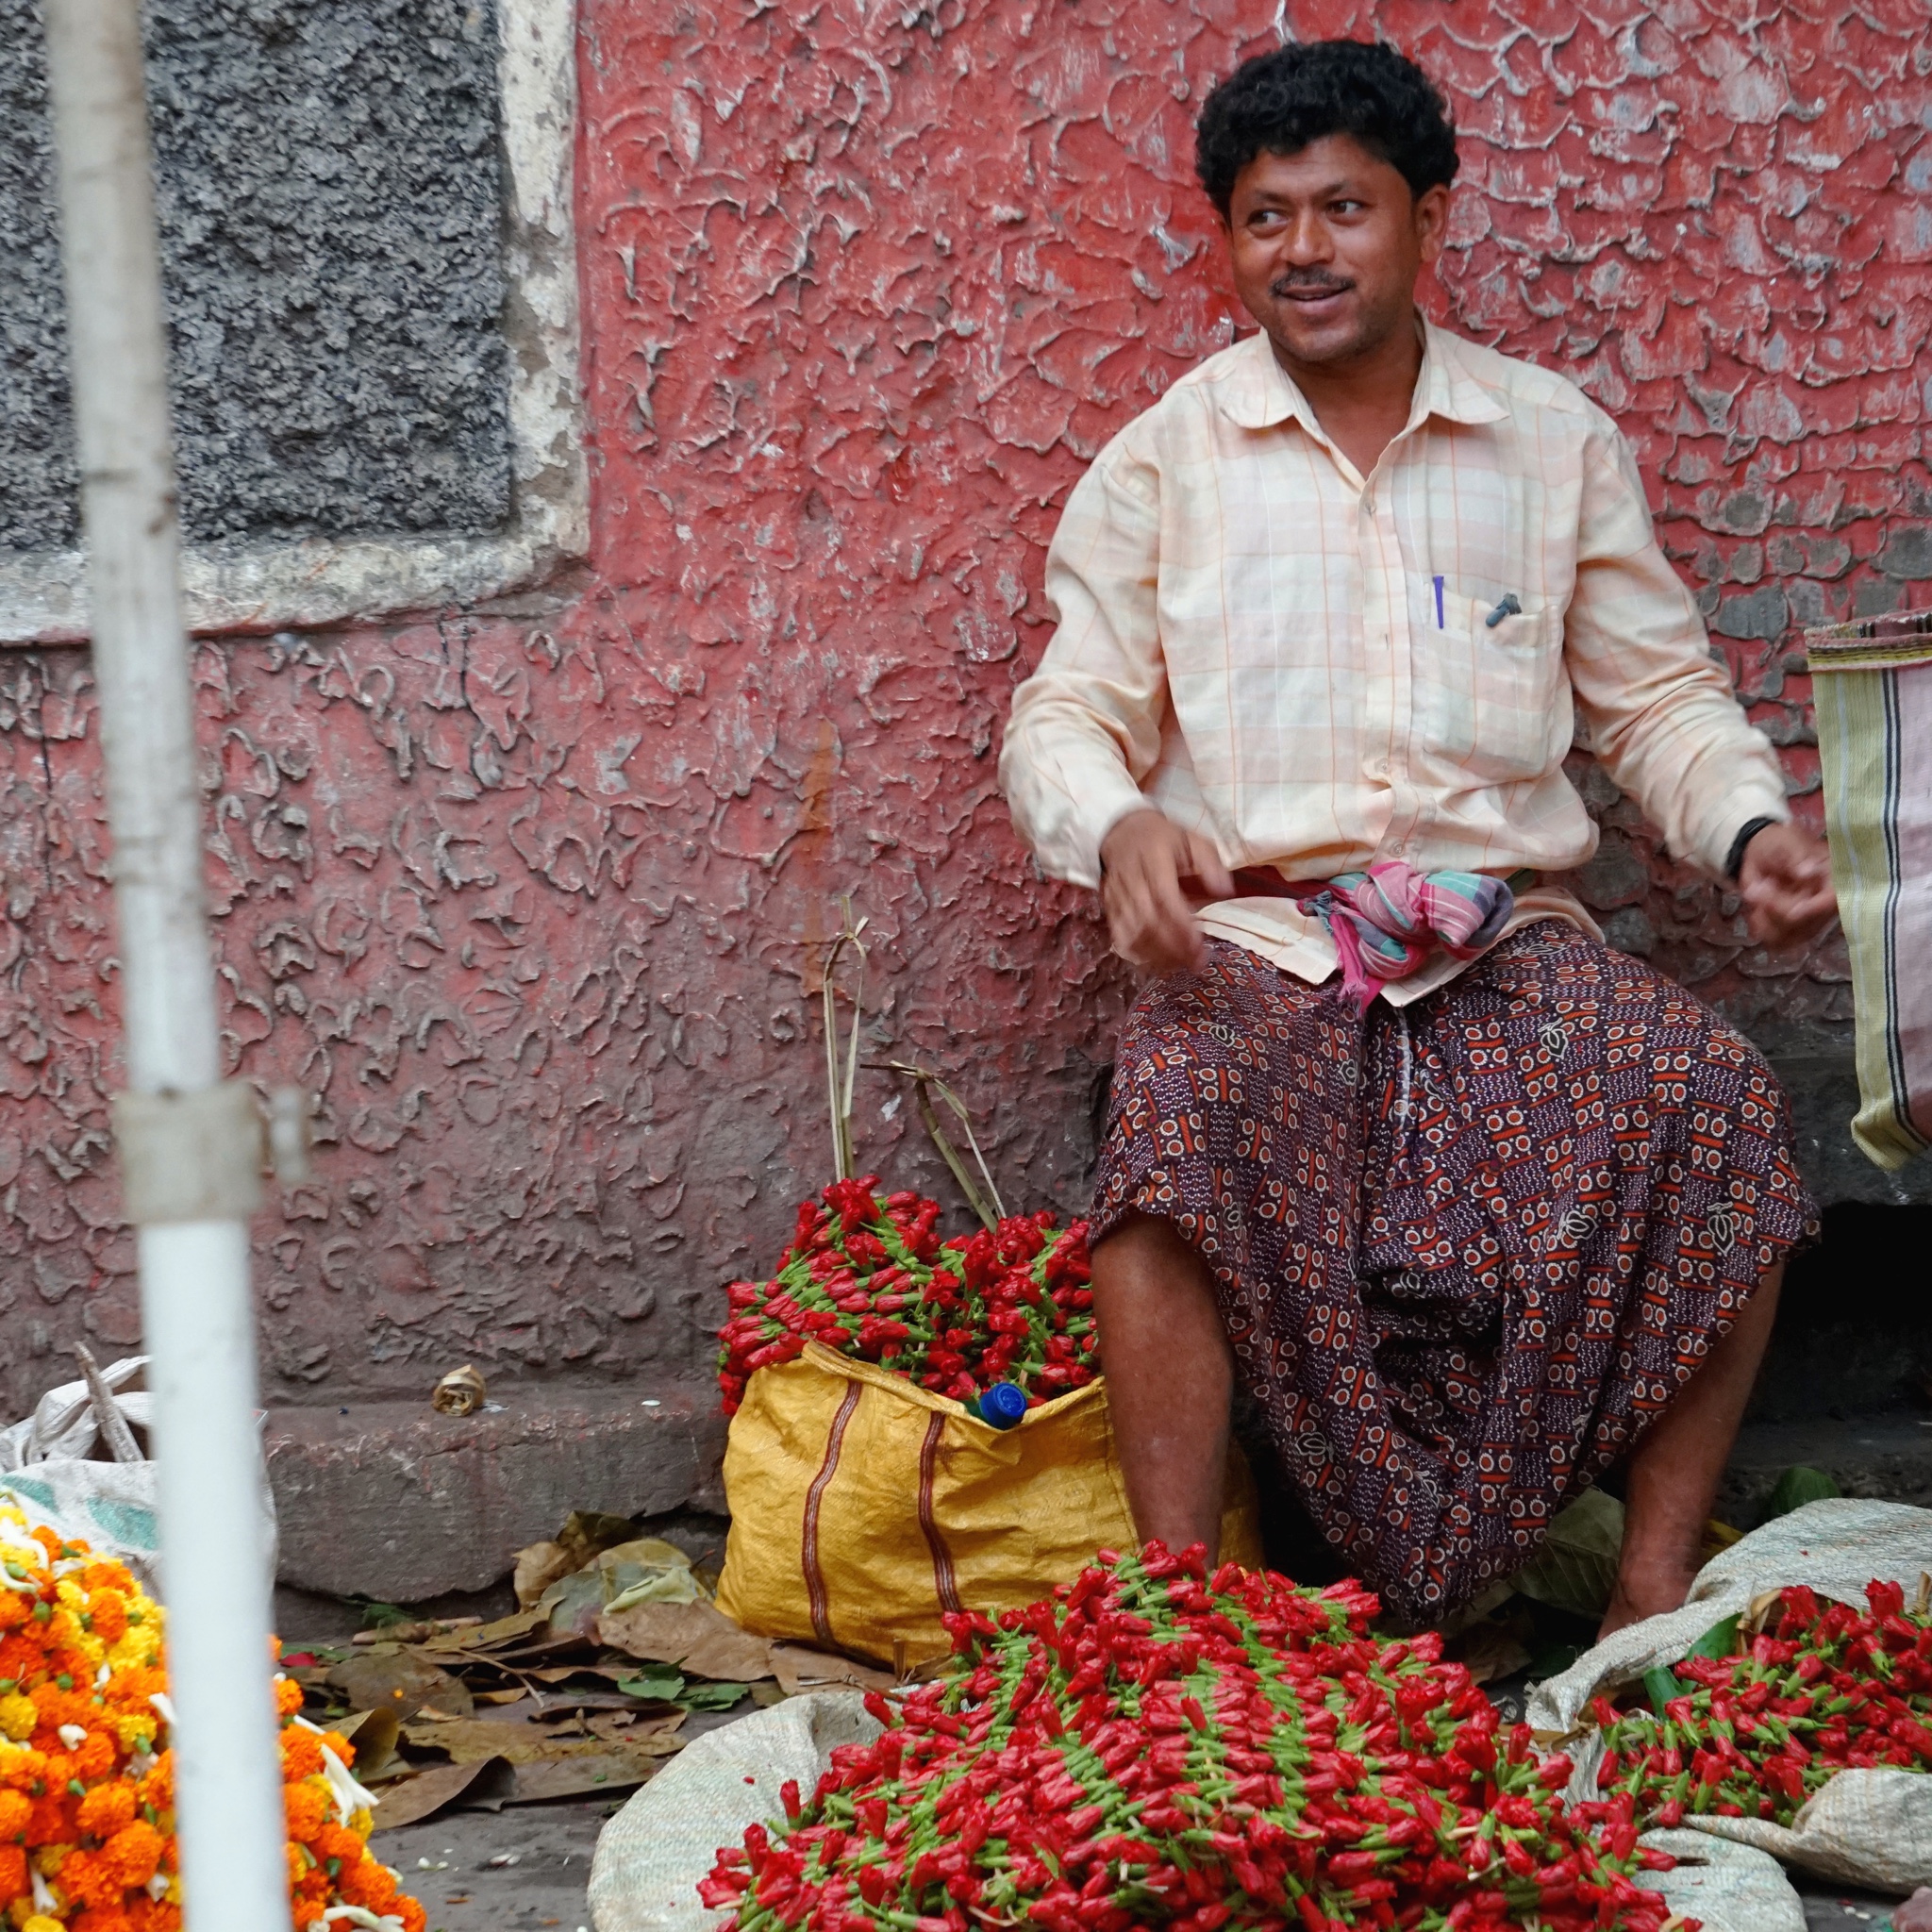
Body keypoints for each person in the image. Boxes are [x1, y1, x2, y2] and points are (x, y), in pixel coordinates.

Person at [998, 39, 1838, 1634]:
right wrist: (1114, 828)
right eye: (1264, 218)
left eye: (1343, 208)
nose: (1302, 250)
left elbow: (1655, 699)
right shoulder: (1167, 459)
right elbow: (1063, 713)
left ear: (1428, 221)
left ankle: (1647, 1587)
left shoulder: (1549, 442)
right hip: (1259, 941)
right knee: (1172, 1116)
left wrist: (1747, 833)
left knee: (1713, 1099)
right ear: (1230, 243)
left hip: (1494, 943)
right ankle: (1192, 1611)